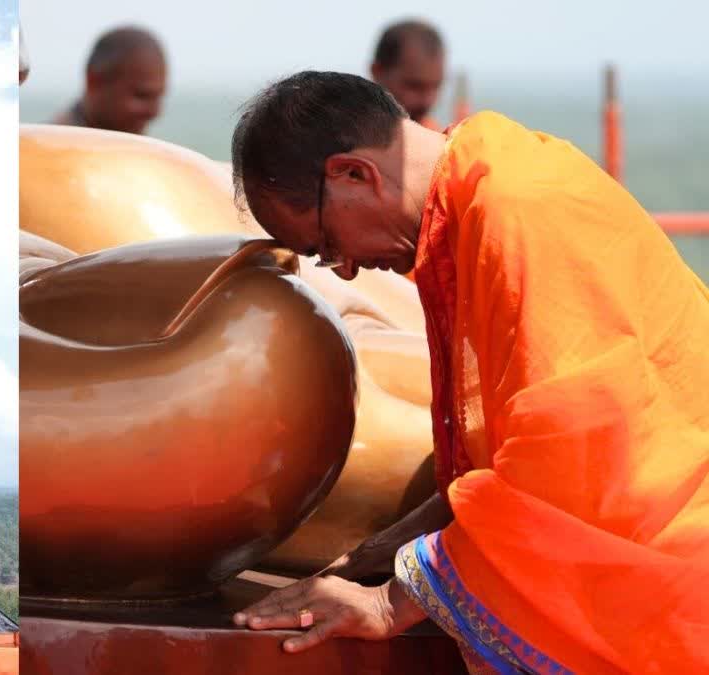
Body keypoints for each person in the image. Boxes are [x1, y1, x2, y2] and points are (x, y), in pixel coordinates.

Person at [228, 71, 709, 673]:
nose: (345, 271)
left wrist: (390, 601)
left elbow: (562, 462)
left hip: (678, 581)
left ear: (353, 173)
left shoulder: (518, 206)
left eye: (326, 243)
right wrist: (375, 555)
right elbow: (506, 462)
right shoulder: (475, 196)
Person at [52, 26, 166, 135]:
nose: (155, 112)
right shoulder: (51, 150)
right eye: (142, 96)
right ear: (93, 82)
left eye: (159, 97)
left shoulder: (127, 149)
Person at [370, 20, 445, 130]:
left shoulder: (441, 141)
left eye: (436, 86)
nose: (427, 101)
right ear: (377, 72)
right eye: (414, 86)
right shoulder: (344, 136)